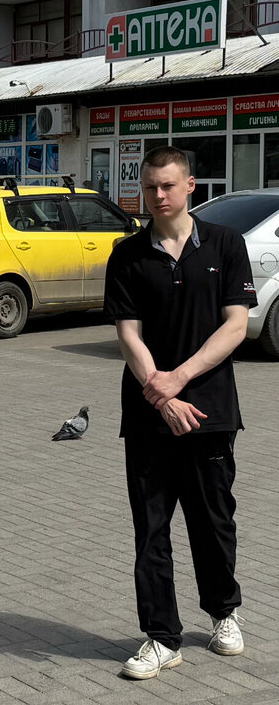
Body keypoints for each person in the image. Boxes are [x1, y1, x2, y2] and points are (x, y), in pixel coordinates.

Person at [104, 146, 257, 680]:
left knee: (213, 521)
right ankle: (161, 637)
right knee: (151, 528)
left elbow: (234, 326)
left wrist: (180, 379)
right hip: (149, 413)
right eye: (149, 187)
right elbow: (127, 332)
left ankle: (223, 613)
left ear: (191, 185)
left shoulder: (225, 244)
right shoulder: (126, 254)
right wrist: (162, 393)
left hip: (211, 411)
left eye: (168, 186)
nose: (158, 196)